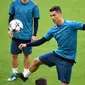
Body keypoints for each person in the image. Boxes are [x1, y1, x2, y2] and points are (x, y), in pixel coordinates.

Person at [18, 6, 85, 85]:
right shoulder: (53, 30)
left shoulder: (71, 25)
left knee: (64, 83)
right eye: (51, 16)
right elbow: (41, 41)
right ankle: (24, 76)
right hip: (57, 54)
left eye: (54, 15)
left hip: (67, 59)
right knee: (36, 61)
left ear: (60, 14)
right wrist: (26, 44)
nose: (52, 18)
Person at [7, 0, 40, 82]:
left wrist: (34, 34)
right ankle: (14, 74)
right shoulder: (14, 3)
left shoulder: (34, 6)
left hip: (27, 36)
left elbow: (36, 20)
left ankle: (24, 76)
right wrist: (9, 29)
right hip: (16, 35)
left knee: (27, 55)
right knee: (14, 55)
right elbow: (11, 16)